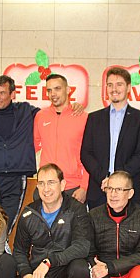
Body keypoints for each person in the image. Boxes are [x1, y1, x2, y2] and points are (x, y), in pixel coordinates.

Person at [3, 163, 91, 278]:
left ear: (62, 185)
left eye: (51, 182)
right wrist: (26, 274)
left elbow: (82, 246)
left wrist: (49, 261)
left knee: (81, 268)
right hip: (40, 275)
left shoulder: (76, 209)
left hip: (66, 272)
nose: (46, 188)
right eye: (41, 183)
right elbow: (19, 250)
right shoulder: (29, 213)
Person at [81, 67, 140, 209]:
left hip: (129, 191)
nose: (114, 89)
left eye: (119, 84)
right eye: (110, 85)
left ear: (128, 87)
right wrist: (104, 178)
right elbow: (86, 153)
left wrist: (117, 181)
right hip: (100, 188)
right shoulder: (94, 118)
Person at [0, 74, 39, 233]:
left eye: (2, 93)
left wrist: (72, 107)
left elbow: (53, 114)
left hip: (16, 177)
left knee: (4, 226)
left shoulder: (26, 111)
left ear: (12, 94)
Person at [34, 73, 89, 203]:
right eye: (49, 90)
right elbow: (33, 147)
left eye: (57, 89)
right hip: (46, 187)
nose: (53, 94)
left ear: (68, 90)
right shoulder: (40, 116)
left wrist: (84, 187)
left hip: (73, 187)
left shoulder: (83, 117)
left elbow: (90, 155)